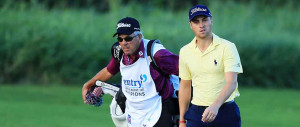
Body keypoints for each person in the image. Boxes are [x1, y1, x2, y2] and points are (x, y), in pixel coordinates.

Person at [82, 17, 179, 127]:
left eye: (128, 38)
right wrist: (89, 84)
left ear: (139, 37)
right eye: (120, 39)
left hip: (158, 111)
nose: (124, 43)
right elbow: (110, 70)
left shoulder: (157, 54)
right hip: (133, 113)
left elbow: (186, 69)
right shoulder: (119, 52)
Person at [178, 5, 243, 127]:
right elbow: (185, 86)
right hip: (196, 114)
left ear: (211, 20)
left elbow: (231, 82)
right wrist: (182, 120)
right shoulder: (185, 51)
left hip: (225, 112)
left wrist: (215, 106)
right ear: (191, 25)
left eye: (205, 20)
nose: (201, 25)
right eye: (196, 22)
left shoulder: (227, 47)